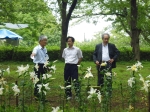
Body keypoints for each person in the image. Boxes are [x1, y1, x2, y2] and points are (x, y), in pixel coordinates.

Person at [31, 35, 49, 99]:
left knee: (44, 80)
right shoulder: (36, 48)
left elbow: (46, 57)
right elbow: (33, 54)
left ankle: (42, 94)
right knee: (37, 80)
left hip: (44, 65)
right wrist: (33, 56)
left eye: (46, 40)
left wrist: (47, 65)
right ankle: (36, 95)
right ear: (40, 41)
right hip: (37, 65)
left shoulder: (45, 48)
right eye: (44, 40)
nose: (46, 42)